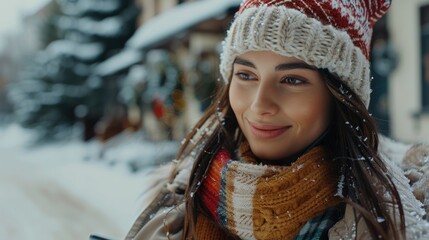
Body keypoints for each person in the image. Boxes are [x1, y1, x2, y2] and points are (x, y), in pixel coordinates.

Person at [123, 0, 429, 239]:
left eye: (292, 80)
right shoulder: (177, 204)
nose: (259, 105)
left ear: (341, 96)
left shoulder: (406, 209)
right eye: (246, 75)